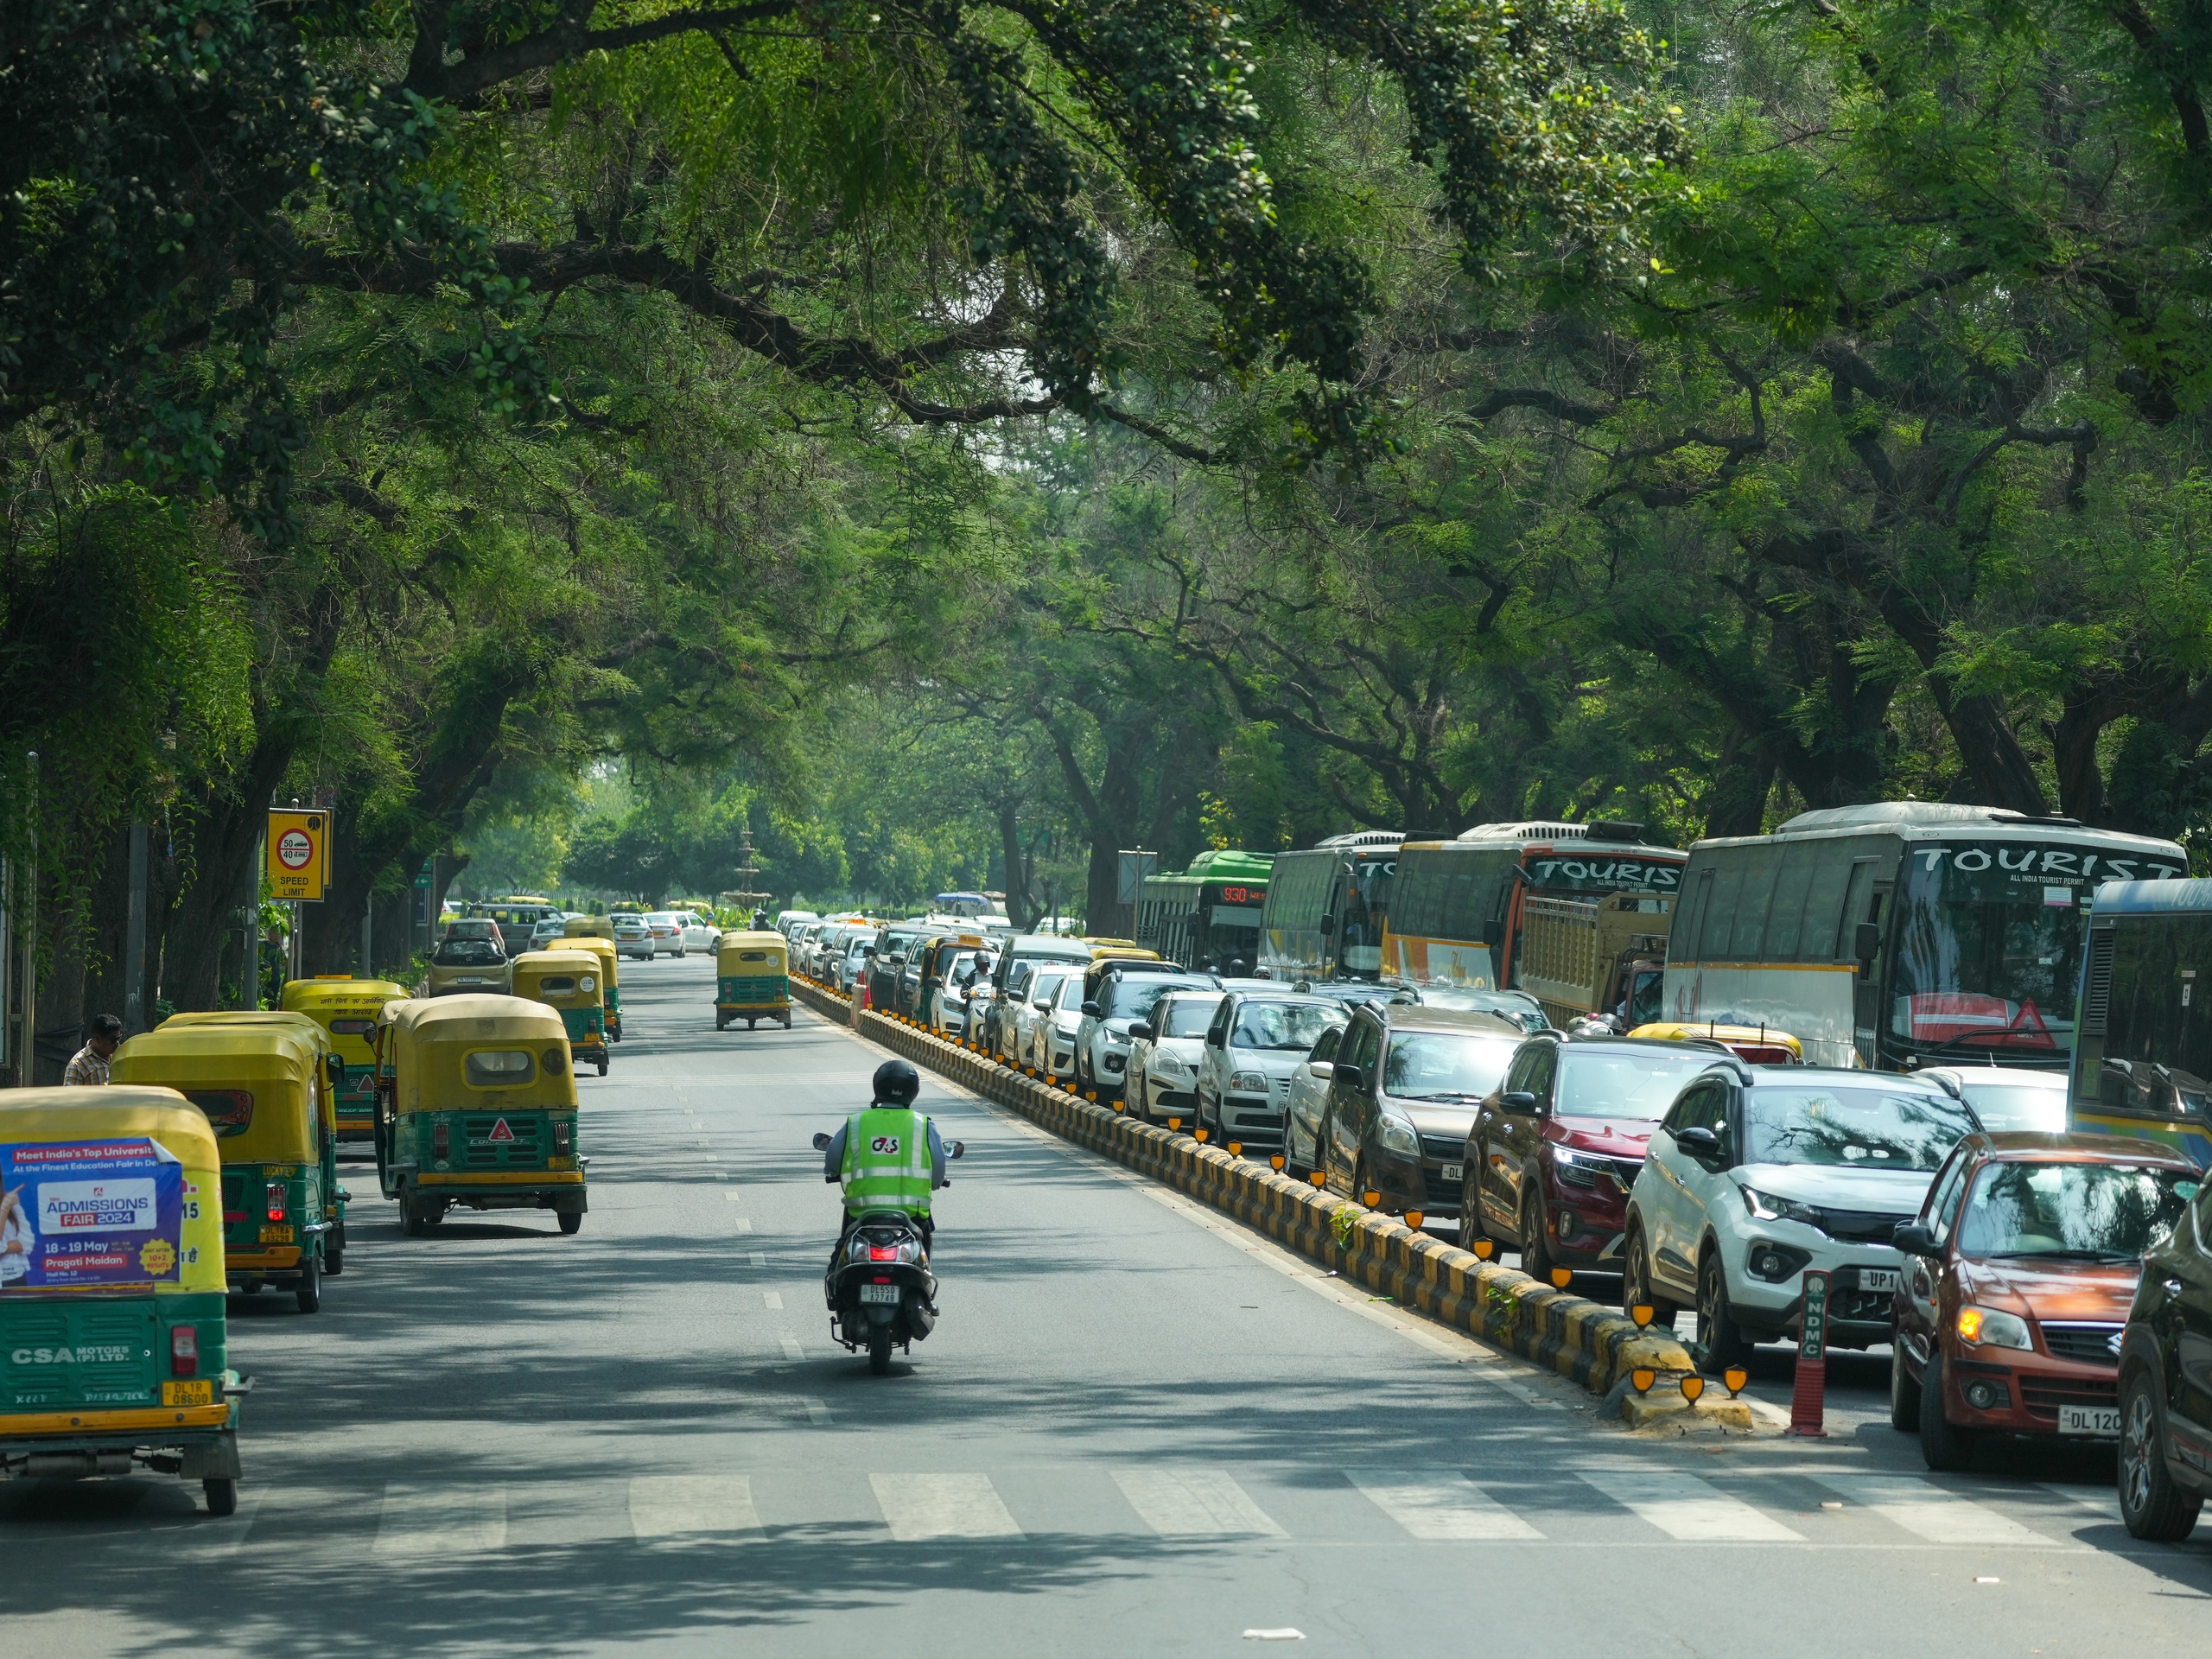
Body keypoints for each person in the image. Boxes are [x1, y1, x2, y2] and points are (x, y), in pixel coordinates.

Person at [822, 1059, 949, 1262]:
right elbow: (938, 1173)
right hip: (912, 1218)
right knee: (922, 1267)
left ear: (878, 1086)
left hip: (861, 1215)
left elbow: (832, 1163)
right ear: (913, 1091)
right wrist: (934, 1183)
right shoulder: (923, 1125)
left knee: (839, 1267)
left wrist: (835, 1171)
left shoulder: (856, 1122)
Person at [63, 1014, 123, 1085]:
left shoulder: (120, 1056)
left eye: (118, 1038)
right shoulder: (78, 1065)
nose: (117, 1043)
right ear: (98, 1039)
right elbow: (71, 1095)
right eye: (113, 1040)